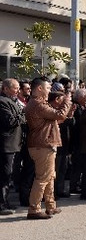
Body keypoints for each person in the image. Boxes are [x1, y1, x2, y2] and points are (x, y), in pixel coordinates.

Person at [24, 78, 71, 220]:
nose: (50, 90)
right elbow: (60, 115)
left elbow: (56, 119)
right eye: (48, 87)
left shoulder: (38, 104)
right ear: (39, 88)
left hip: (44, 144)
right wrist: (67, 101)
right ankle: (34, 209)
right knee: (43, 178)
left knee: (49, 177)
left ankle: (50, 206)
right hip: (42, 145)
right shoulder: (38, 104)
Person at [0, 79, 26, 215]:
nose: (17, 90)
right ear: (5, 88)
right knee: (4, 175)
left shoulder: (12, 102)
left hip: (14, 144)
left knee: (9, 175)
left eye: (18, 88)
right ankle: (1, 204)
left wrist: (21, 114)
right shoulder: (2, 102)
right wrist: (23, 114)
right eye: (15, 88)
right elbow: (10, 121)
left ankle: (5, 201)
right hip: (6, 145)